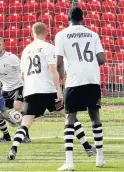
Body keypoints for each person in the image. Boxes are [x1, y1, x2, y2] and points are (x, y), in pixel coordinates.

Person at [7, 22, 95, 162]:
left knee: (25, 124)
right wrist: (59, 91)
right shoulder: (48, 48)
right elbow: (53, 69)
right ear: (46, 33)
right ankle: (87, 147)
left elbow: (23, 75)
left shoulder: (26, 50)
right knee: (69, 116)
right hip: (48, 91)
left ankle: (13, 148)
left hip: (30, 91)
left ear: (32, 33)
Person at [55, 7, 106, 171]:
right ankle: (100, 158)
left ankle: (69, 162)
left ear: (68, 18)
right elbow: (102, 58)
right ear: (82, 17)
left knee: (70, 118)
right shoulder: (93, 34)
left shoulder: (61, 35)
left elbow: (59, 63)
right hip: (92, 79)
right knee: (94, 116)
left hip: (74, 80)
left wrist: (62, 76)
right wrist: (89, 66)